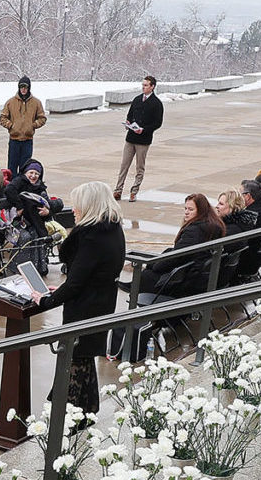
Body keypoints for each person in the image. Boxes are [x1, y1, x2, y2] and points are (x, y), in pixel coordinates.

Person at [33, 181, 126, 414]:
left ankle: (63, 420)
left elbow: (76, 283)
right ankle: (87, 412)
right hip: (101, 304)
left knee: (74, 363)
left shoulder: (91, 237)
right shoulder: (113, 229)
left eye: (78, 205)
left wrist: (46, 301)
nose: (74, 210)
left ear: (90, 206)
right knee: (84, 362)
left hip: (84, 310)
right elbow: (86, 276)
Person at [119, 77, 164, 202]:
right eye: (142, 85)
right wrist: (128, 122)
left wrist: (144, 130)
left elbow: (157, 123)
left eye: (146, 85)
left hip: (143, 140)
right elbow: (130, 114)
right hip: (131, 138)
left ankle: (134, 191)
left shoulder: (157, 103)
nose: (143, 87)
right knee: (124, 165)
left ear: (152, 86)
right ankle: (118, 190)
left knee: (139, 167)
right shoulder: (137, 99)